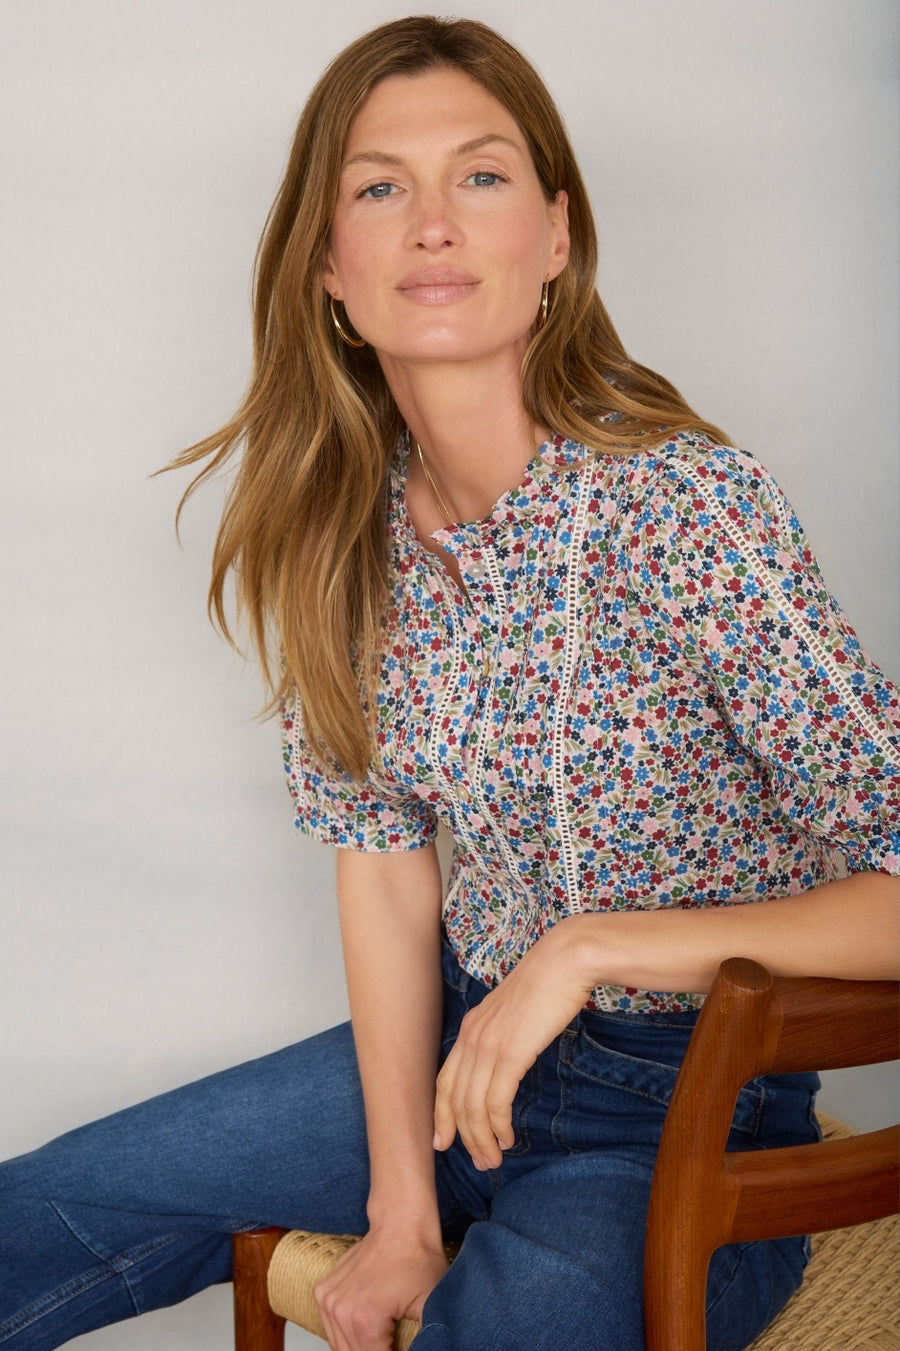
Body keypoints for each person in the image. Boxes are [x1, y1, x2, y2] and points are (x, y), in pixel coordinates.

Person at [1, 14, 897, 1351]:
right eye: (379, 189)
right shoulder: (343, 534)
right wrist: (402, 1204)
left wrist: (588, 949)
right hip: (456, 1060)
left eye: (480, 176)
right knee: (35, 1215)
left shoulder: (682, 507)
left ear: (556, 235)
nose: (432, 224)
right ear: (327, 267)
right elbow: (382, 867)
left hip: (689, 1105)